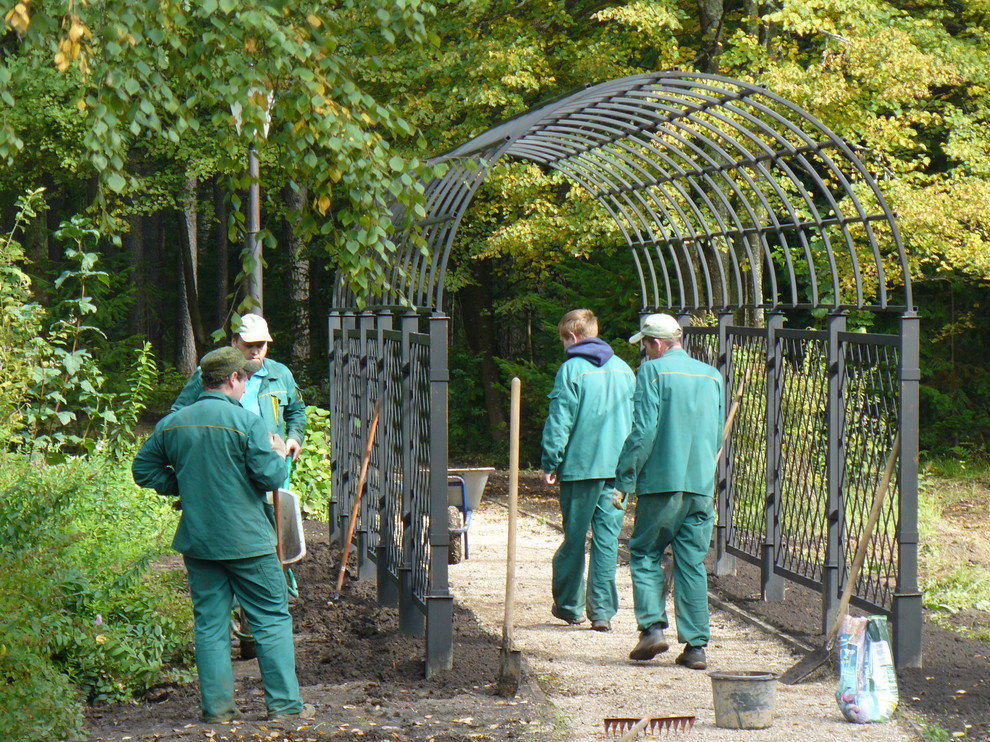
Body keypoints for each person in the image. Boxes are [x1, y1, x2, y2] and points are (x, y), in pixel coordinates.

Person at [133, 347, 312, 723]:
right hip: (249, 541)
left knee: (211, 627)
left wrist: (183, 485)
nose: (247, 384)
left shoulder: (173, 423)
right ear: (233, 379)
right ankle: (284, 708)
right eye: (244, 377)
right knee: (271, 619)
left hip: (200, 542)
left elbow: (143, 470)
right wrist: (279, 456)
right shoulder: (247, 424)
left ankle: (217, 712)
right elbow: (271, 478)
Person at [613, 313, 723, 670]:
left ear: (656, 344)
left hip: (662, 484)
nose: (644, 352)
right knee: (691, 562)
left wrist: (624, 479)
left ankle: (652, 629)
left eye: (644, 345)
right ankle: (695, 648)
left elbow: (643, 431)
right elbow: (715, 431)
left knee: (645, 552)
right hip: (701, 487)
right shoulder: (712, 376)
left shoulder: (652, 372)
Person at [540, 309, 635, 632]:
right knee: (608, 541)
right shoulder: (624, 370)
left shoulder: (571, 370)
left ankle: (569, 606)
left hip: (580, 470)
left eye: (563, 340)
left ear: (573, 337)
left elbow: (560, 420)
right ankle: (603, 613)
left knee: (574, 539)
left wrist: (550, 462)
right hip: (618, 471)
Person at [172, 313, 306, 486]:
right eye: (249, 345)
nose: (255, 351)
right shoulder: (210, 373)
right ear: (234, 342)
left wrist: (294, 437)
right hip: (222, 463)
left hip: (268, 463)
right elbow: (179, 414)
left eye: (261, 345)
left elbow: (296, 411)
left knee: (271, 511)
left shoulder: (280, 374)